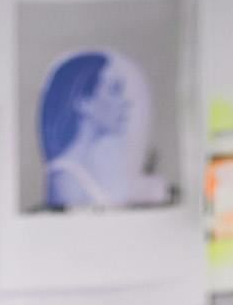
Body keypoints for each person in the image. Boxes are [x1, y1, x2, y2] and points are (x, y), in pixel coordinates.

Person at [38, 48, 164, 211]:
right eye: (114, 90)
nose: (126, 102)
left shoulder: (91, 170)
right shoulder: (66, 182)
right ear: (83, 101)